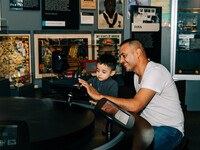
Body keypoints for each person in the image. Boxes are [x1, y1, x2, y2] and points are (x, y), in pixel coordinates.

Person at [79, 39, 184, 150]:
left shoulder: (155, 71)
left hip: (169, 129)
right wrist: (103, 105)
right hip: (146, 126)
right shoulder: (136, 76)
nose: (121, 60)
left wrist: (99, 96)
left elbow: (135, 105)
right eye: (120, 57)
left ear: (138, 52)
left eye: (124, 55)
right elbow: (133, 109)